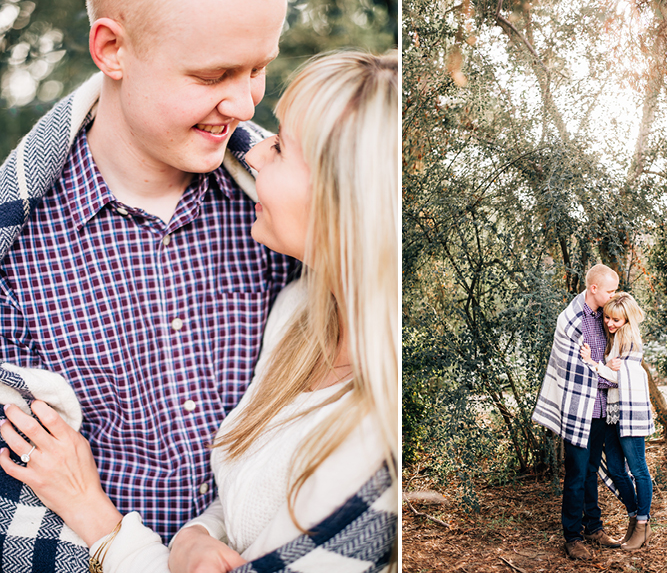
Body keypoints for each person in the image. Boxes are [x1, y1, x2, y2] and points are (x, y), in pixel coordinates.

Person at [0, 50, 398, 573]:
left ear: (346, 199)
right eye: (212, 74)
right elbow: (250, 490)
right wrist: (198, 533)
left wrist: (96, 519)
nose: (252, 152)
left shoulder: (374, 448)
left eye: (280, 149)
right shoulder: (298, 313)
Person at [0, 0, 298, 552]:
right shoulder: (20, 250)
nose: (242, 101)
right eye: (212, 75)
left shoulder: (281, 214)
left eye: (258, 68)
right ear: (112, 50)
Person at [531, 263, 622, 560]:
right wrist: (606, 372)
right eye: (611, 290)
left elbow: (614, 351)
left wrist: (611, 368)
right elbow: (572, 371)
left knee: (591, 470)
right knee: (576, 472)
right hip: (576, 409)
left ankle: (594, 528)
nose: (614, 294)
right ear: (594, 288)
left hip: (599, 408)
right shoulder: (570, 320)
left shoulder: (605, 317)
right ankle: (572, 536)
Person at [580, 292, 654, 551]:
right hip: (614, 410)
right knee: (615, 467)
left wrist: (593, 363)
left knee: (638, 469)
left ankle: (642, 524)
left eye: (616, 320)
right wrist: (605, 365)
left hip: (629, 409)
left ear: (627, 320)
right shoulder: (616, 337)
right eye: (608, 318)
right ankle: (634, 517)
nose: (610, 323)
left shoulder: (628, 338)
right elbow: (614, 373)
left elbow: (616, 378)